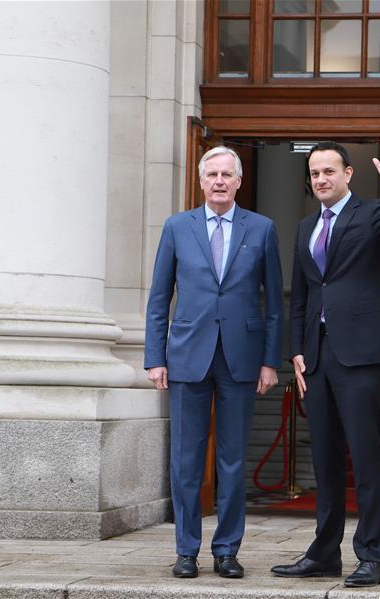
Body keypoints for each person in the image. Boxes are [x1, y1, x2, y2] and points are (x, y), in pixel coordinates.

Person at [271, 135, 380, 587]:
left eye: (329, 171)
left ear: (348, 174)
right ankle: (323, 553)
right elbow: (300, 295)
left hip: (359, 356)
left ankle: (371, 556)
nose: (321, 179)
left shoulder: (374, 212)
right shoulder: (304, 228)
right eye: (315, 173)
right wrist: (296, 351)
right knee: (324, 459)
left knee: (365, 456)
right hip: (316, 359)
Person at [144, 146, 283, 579]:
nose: (220, 181)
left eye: (227, 174)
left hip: (241, 360)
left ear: (239, 181)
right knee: (186, 461)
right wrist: (155, 357)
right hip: (186, 358)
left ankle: (227, 550)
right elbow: (158, 299)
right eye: (212, 175)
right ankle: (186, 550)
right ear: (201, 182)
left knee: (233, 460)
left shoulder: (261, 229)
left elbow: (274, 304)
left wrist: (269, 362)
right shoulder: (176, 227)